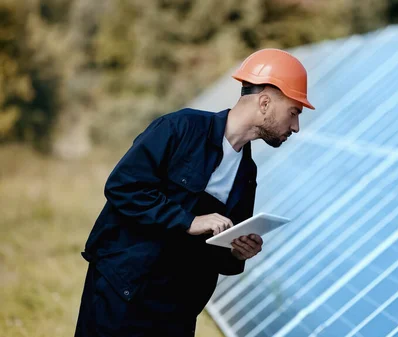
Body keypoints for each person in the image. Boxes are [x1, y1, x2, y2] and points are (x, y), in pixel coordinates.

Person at [74, 48, 315, 337]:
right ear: (264, 102)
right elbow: (123, 187)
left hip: (176, 313)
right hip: (122, 293)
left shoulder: (246, 174)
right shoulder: (179, 129)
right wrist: (189, 221)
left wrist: (238, 253)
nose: (296, 127)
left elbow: (219, 255)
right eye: (294, 112)